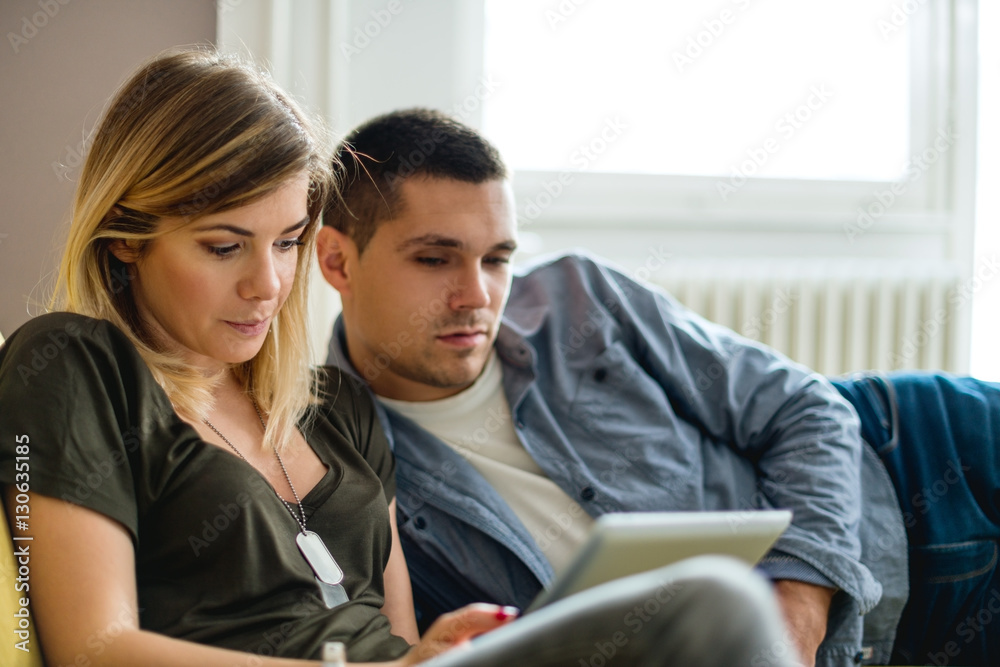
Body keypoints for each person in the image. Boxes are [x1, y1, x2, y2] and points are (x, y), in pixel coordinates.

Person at [0, 51, 799, 667]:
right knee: (714, 600)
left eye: (286, 242)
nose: (269, 283)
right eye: (223, 246)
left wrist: (431, 650)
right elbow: (94, 648)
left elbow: (401, 637)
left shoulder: (337, 410)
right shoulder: (73, 365)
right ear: (127, 242)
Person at [317, 108, 1000, 667]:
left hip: (919, 449)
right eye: (435, 259)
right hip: (893, 630)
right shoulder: (336, 457)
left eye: (497, 258)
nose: (477, 295)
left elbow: (804, 407)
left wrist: (799, 601)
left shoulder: (580, 299)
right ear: (337, 260)